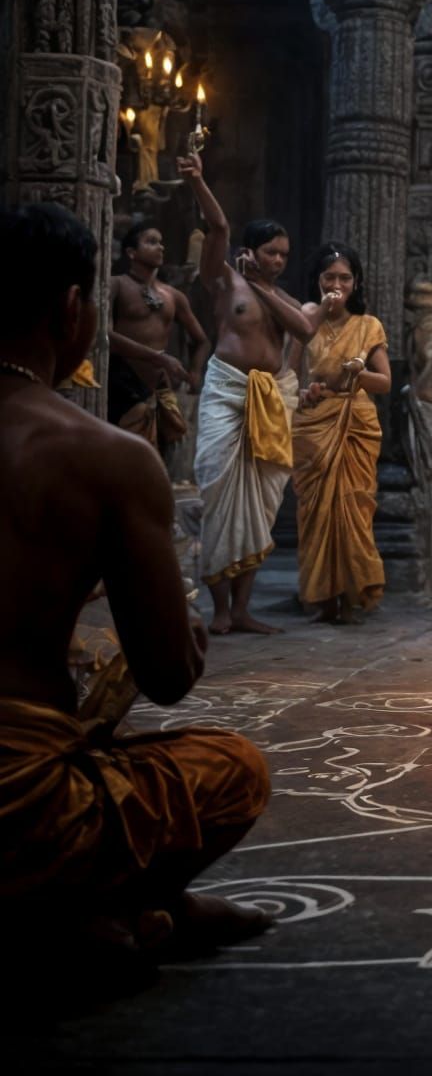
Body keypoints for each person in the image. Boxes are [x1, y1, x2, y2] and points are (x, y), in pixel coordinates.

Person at [0, 203, 270, 982]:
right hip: (20, 805)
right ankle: (111, 909)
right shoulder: (101, 456)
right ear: (72, 311)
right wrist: (182, 629)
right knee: (231, 767)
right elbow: (166, 675)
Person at [177, 152, 313, 634]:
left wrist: (265, 288)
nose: (278, 260)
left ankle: (241, 610)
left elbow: (304, 330)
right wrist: (197, 179)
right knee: (218, 491)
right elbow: (217, 228)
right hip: (227, 393)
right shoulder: (222, 282)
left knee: (257, 507)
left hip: (270, 403)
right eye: (270, 252)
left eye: (284, 254)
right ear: (251, 250)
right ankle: (218, 610)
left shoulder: (281, 299)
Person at [286, 244, 390, 624]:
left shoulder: (368, 325)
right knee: (314, 514)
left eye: (344, 277)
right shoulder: (304, 323)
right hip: (313, 425)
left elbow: (384, 382)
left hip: (354, 423)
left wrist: (357, 373)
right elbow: (288, 376)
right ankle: (321, 598)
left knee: (354, 509)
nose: (336, 284)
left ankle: (351, 596)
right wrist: (303, 391)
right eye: (329, 277)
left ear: (355, 282)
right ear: (317, 280)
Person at [106, 220, 208, 456]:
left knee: (162, 456)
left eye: (161, 243)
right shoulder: (117, 285)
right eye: (151, 242)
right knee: (123, 455)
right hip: (122, 381)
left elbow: (202, 340)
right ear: (131, 252)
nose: (160, 247)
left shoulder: (173, 295)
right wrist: (160, 359)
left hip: (160, 386)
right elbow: (106, 336)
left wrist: (195, 372)